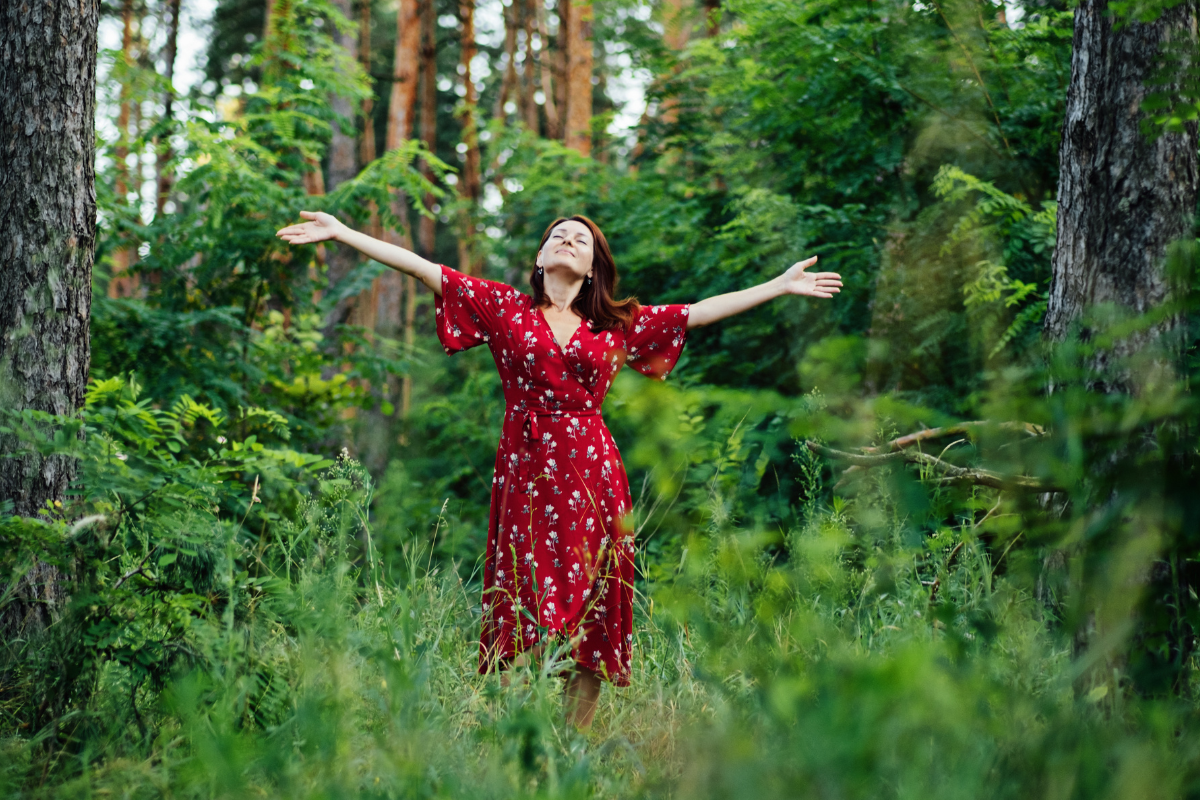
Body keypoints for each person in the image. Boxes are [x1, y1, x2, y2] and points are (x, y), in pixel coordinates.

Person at [276, 212, 842, 729]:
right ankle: (525, 731)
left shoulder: (616, 324)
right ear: (541, 257)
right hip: (525, 470)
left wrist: (779, 284)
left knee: (596, 598)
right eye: (557, 236)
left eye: (581, 240)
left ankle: (575, 739)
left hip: (593, 470)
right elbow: (424, 268)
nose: (568, 242)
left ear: (594, 266)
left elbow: (698, 312)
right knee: (525, 595)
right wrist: (343, 233)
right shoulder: (504, 308)